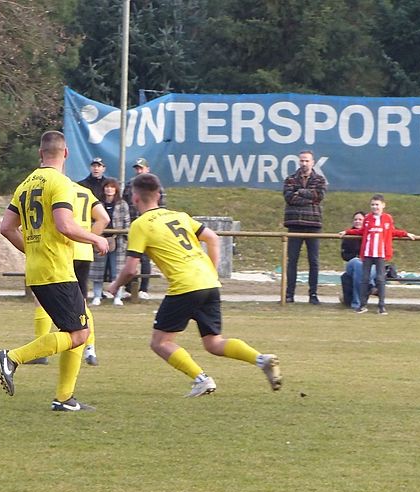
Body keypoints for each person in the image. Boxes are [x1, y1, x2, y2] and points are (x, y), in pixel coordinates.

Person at [106, 173, 281, 397]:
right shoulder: (179, 216)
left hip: (185, 285)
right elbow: (213, 238)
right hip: (208, 282)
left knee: (160, 342)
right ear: (158, 195)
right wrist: (212, 271)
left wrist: (115, 285)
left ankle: (202, 380)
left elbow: (131, 268)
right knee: (213, 343)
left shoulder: (140, 225)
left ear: (135, 198)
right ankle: (261, 359)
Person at [0, 130, 109, 412]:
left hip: (37, 269)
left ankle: (65, 398)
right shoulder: (61, 182)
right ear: (66, 153)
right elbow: (64, 224)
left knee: (77, 328)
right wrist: (95, 238)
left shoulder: (25, 184)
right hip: (56, 269)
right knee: (80, 334)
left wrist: (32, 250)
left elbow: (7, 228)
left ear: (40, 154)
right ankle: (13, 357)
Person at [30, 181, 110, 367]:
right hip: (84, 252)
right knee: (81, 302)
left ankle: (40, 351)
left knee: (40, 299)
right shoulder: (85, 191)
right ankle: (90, 349)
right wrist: (89, 239)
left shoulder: (57, 188)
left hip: (63, 250)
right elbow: (104, 218)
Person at [340, 194, 415, 315]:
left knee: (380, 279)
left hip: (381, 254)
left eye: (377, 204)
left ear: (383, 205)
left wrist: (406, 234)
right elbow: (361, 231)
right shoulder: (368, 218)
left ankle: (381, 306)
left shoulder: (387, 218)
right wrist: (347, 231)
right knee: (364, 279)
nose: (375, 207)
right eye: (372, 205)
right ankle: (362, 305)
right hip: (367, 253)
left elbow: (392, 231)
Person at [283, 149, 327, 304]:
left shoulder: (320, 179)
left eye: (307, 160)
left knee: (313, 261)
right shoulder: (290, 179)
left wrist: (299, 192)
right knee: (292, 260)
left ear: (312, 162)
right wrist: (308, 197)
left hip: (313, 224)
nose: (304, 163)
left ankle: (313, 294)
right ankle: (289, 294)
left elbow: (318, 196)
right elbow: (289, 198)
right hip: (294, 224)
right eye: (302, 160)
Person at [122, 158, 165, 300]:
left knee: (145, 259)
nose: (139, 171)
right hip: (133, 224)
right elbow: (124, 203)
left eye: (141, 168)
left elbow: (162, 205)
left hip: (150, 225)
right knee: (132, 257)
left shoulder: (155, 185)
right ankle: (130, 288)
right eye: (137, 168)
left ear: (147, 169)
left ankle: (144, 288)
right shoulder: (130, 184)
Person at [90, 178, 130, 306]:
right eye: (107, 187)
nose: (109, 189)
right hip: (100, 240)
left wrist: (123, 237)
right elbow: (92, 220)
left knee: (117, 270)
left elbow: (127, 223)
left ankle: (117, 296)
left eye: (112, 187)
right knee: (98, 270)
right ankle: (97, 296)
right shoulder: (97, 204)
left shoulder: (122, 204)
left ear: (116, 189)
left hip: (118, 241)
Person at [340, 211, 374, 310]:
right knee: (357, 263)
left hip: (369, 264)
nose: (357, 221)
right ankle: (371, 285)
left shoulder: (371, 234)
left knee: (361, 269)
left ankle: (357, 303)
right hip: (353, 263)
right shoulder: (348, 235)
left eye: (360, 219)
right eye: (355, 219)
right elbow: (344, 255)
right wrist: (357, 256)